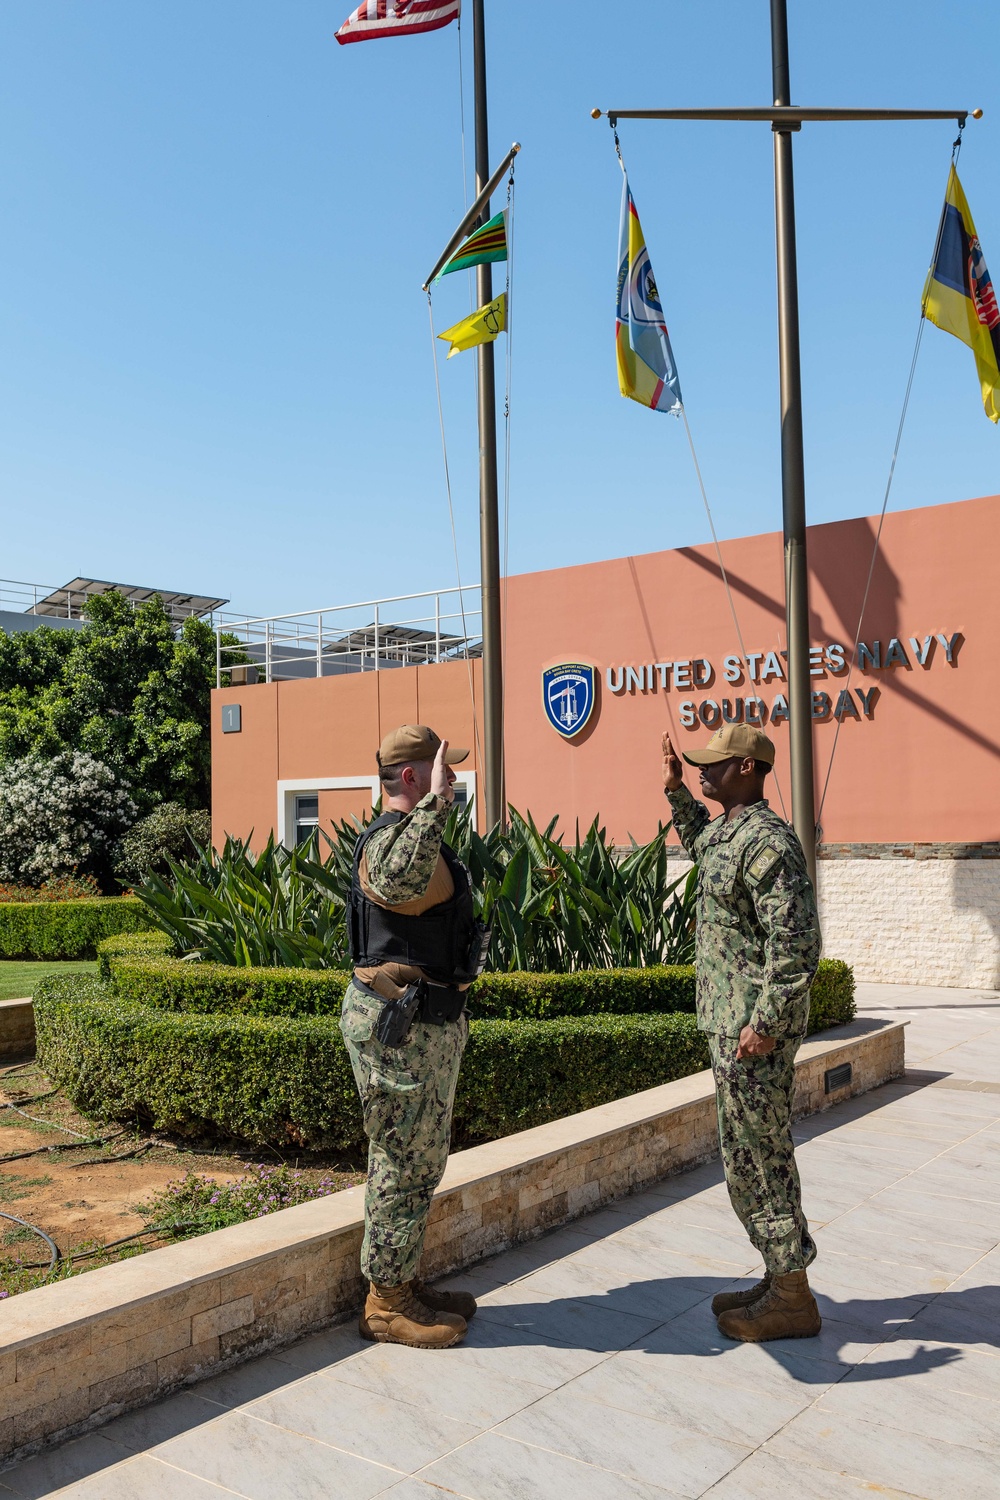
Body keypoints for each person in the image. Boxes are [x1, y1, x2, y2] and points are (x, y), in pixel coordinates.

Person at [661, 722, 823, 1341]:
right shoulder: (730, 833)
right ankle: (778, 1274)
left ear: (750, 770)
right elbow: (704, 848)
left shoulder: (768, 844)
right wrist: (677, 791)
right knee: (743, 1155)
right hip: (729, 1024)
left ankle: (792, 1295)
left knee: (762, 1154)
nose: (705, 770)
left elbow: (797, 945)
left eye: (716, 765)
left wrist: (767, 1025)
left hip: (752, 1032)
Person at [340, 723, 487, 1350]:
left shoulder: (414, 838)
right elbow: (398, 884)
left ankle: (405, 1280)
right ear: (411, 777)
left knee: (420, 1158)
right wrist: (434, 808)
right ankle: (386, 1301)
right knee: (402, 1161)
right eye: (441, 769)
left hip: (425, 1025)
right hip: (400, 1029)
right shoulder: (391, 844)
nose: (451, 778)